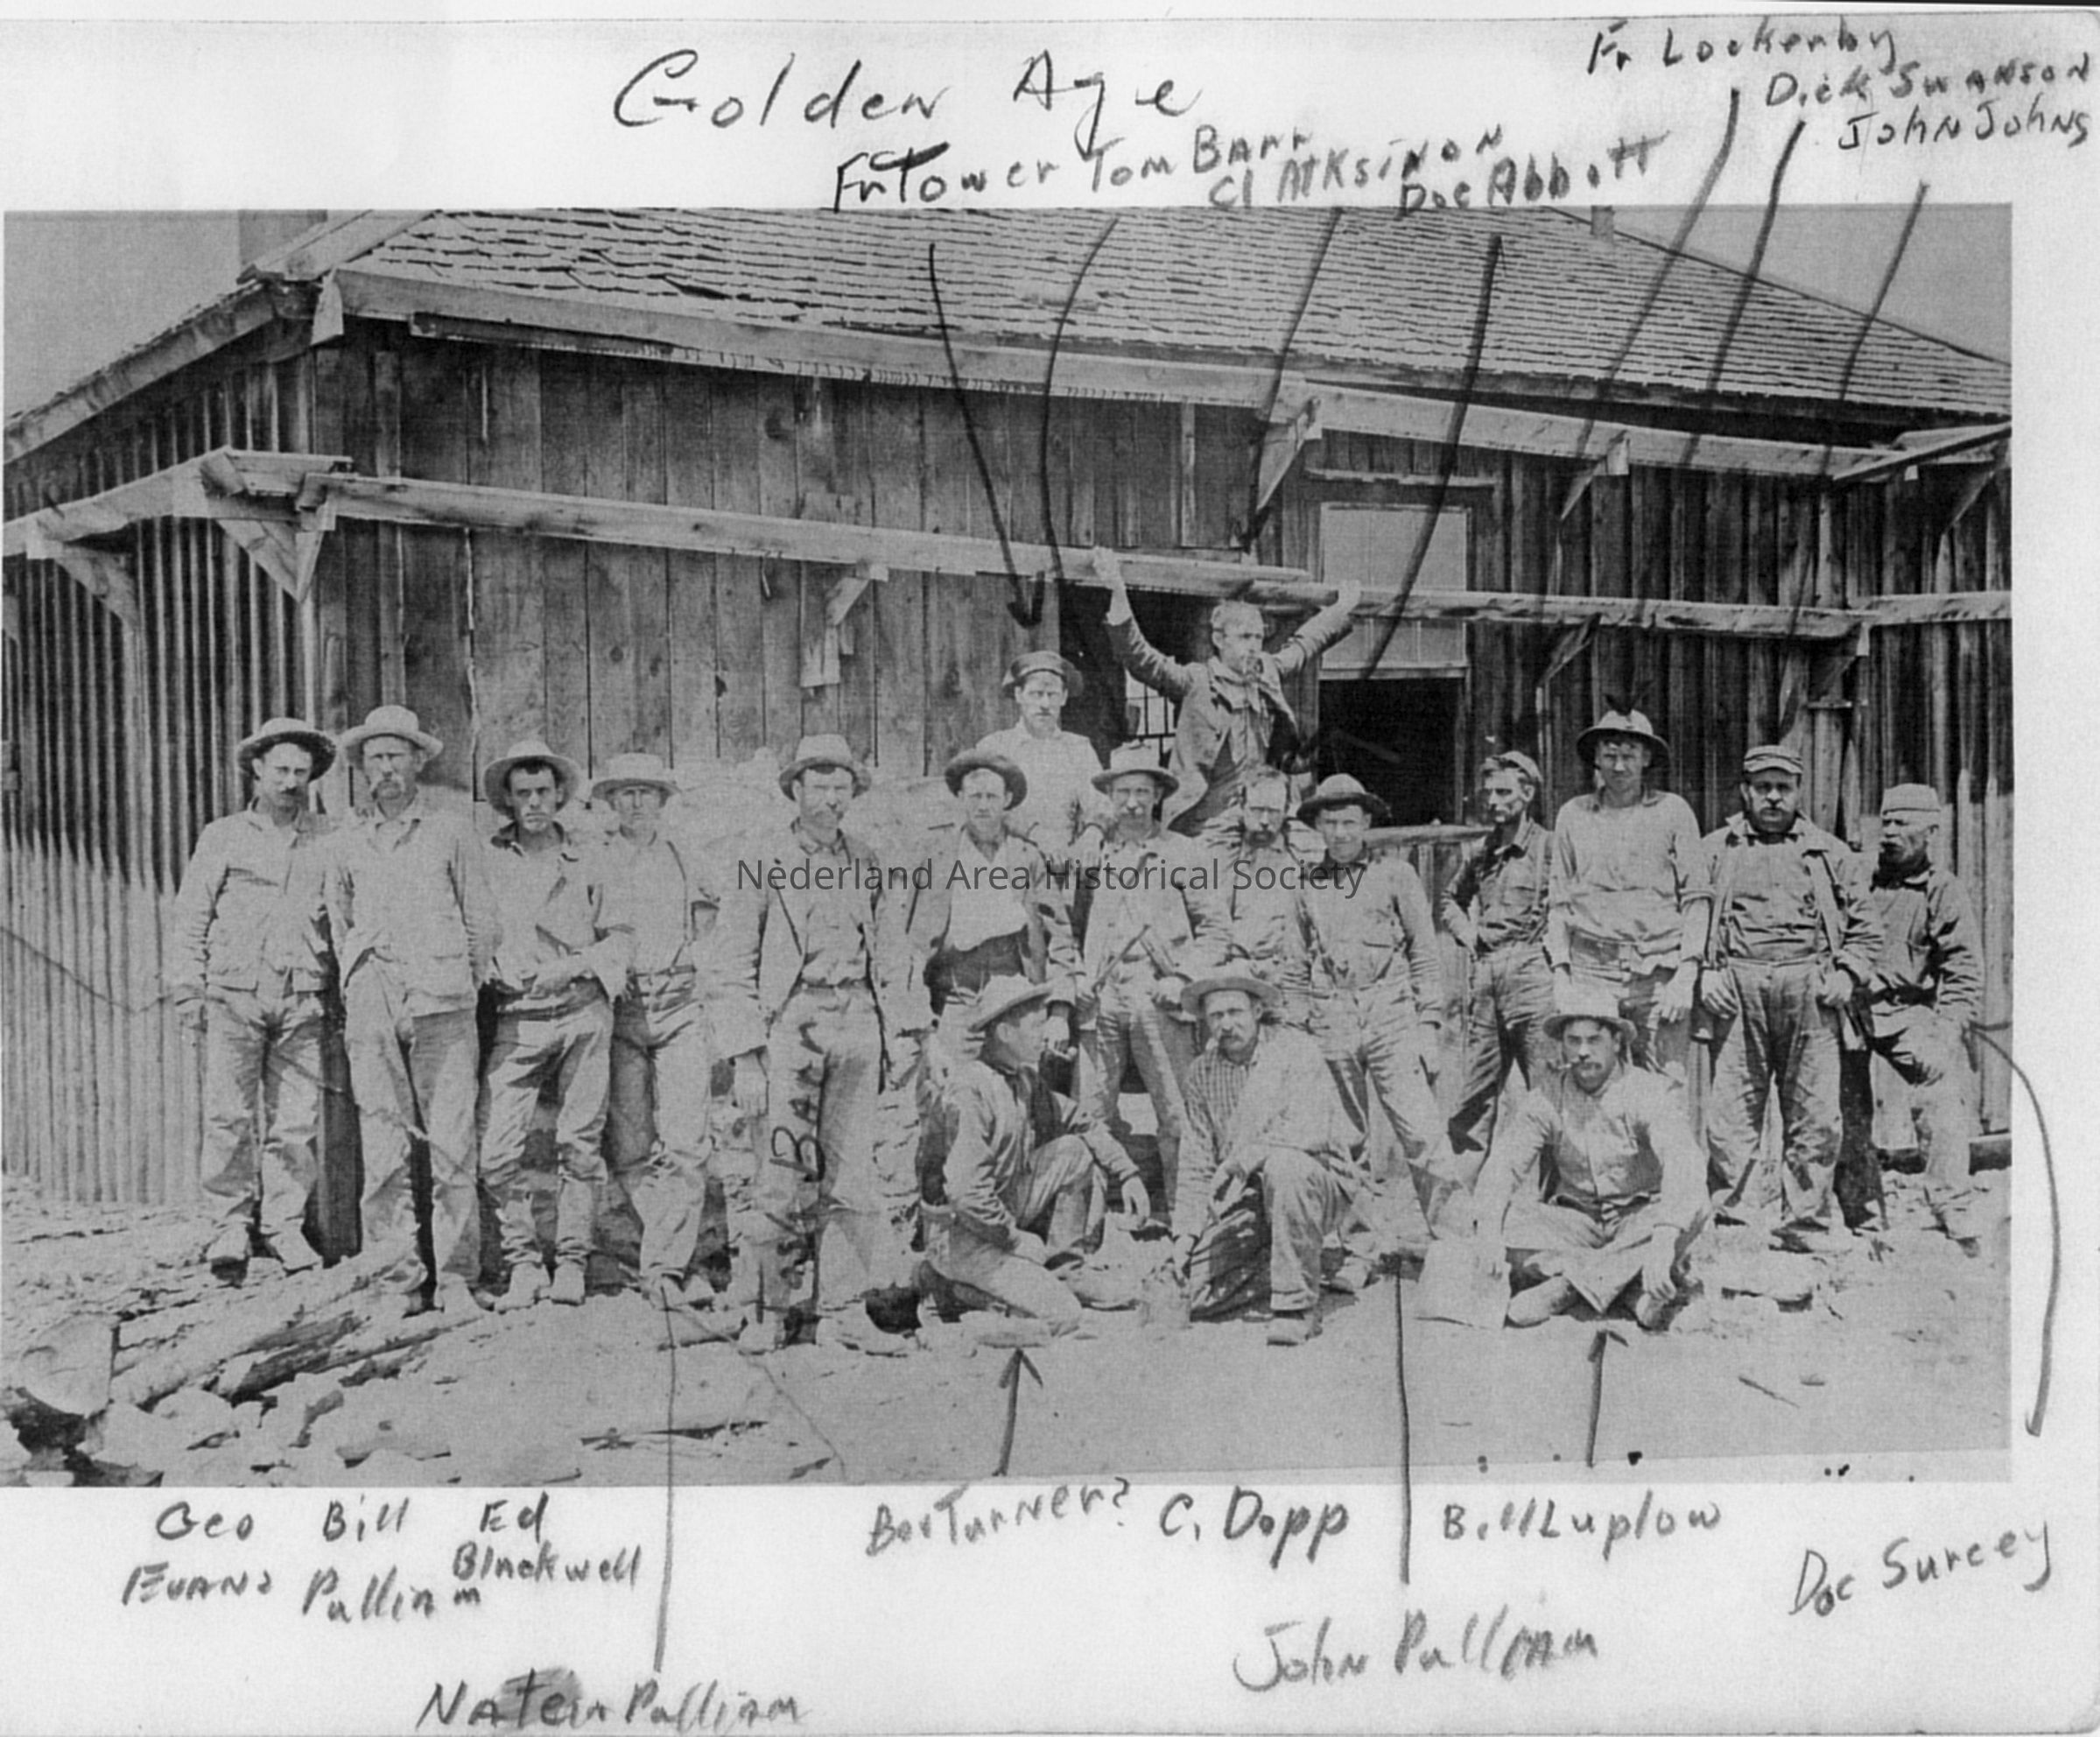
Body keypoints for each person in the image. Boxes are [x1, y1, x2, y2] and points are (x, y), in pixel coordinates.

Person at [713, 735, 927, 1351]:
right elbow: (732, 960)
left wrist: (901, 1033)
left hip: (856, 1019)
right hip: (793, 1023)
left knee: (853, 1177)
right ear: (796, 790)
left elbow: (893, 953)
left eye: (842, 787)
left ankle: (841, 1311)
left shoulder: (867, 860)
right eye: (819, 786)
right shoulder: (762, 860)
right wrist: (747, 1056)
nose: (831, 799)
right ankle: (768, 1312)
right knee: (779, 1174)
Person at [327, 705, 496, 1315]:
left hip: (443, 998)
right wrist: (363, 982)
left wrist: (459, 981)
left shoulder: (451, 831)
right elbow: (341, 921)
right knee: (383, 1144)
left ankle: (456, 1278)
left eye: (396, 756)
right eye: (375, 758)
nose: (386, 769)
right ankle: (396, 1279)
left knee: (452, 1145)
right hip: (373, 993)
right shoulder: (346, 840)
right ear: (362, 768)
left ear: (418, 761)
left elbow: (482, 922)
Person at [170, 717, 339, 1282]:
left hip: (302, 998)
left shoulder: (329, 837)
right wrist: (188, 989)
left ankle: (283, 1225)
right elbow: (191, 917)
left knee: (295, 1120)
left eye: (301, 772)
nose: (290, 782)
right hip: (235, 996)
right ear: (258, 770)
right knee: (229, 1115)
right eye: (281, 770)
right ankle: (230, 1225)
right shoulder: (223, 836)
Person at [1697, 745, 1879, 1253]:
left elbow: (1867, 928)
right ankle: (1734, 1222)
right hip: (1737, 987)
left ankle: (1806, 1224)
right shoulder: (1716, 850)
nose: (1773, 797)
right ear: (1745, 792)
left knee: (1815, 1114)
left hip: (1811, 987)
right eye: (1763, 788)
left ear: (1799, 792)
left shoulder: (1830, 853)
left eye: (1783, 788)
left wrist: (1848, 971)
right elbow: (1688, 914)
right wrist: (1704, 973)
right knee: (1732, 1113)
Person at [477, 740, 632, 1310]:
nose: (535, 803)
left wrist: (572, 966)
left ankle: (571, 1263)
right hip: (517, 1019)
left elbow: (622, 938)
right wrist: (490, 965)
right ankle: (522, 1264)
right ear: (509, 800)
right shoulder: (487, 860)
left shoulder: (589, 858)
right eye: (523, 794)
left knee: (580, 1144)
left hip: (581, 1012)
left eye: (544, 791)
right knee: (495, 1151)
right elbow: (467, 928)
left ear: (560, 794)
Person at [1469, 984, 1710, 1331]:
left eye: (1594, 1040)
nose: (1583, 1052)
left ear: (1617, 1042)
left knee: (1695, 1204)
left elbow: (1682, 1161)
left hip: (1637, 1219)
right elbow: (1504, 1165)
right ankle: (1626, 1288)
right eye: (1573, 1041)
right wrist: (1490, 1231)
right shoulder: (1547, 1097)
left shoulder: (1646, 1091)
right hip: (1575, 1224)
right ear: (1562, 1045)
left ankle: (1569, 1287)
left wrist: (1662, 1239)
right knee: (1501, 1221)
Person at [1296, 773, 1466, 1248]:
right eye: (1331, 823)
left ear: (1367, 823)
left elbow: (1424, 951)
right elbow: (1294, 962)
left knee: (1421, 1129)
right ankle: (1357, 1243)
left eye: (1349, 822)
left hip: (1391, 1012)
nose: (1341, 833)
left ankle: (1455, 1239)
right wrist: (1296, 1030)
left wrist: (1428, 1023)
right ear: (1318, 826)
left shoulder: (1395, 875)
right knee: (1344, 1138)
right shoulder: (1306, 883)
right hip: (1331, 1014)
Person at [922, 975, 1150, 1329]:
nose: (1044, 1035)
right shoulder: (969, 1090)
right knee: (1062, 1314)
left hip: (995, 1214)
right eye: (1036, 1026)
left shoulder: (1023, 1080)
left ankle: (1066, 1271)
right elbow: (966, 1194)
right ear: (1004, 1033)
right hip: (959, 1234)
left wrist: (1128, 1173)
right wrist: (1014, 1240)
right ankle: (952, 1292)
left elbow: (1082, 1123)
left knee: (1073, 1151)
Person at [1070, 743, 1233, 1235]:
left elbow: (1216, 931)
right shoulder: (1092, 854)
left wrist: (1182, 978)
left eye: (1143, 792)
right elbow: (1067, 925)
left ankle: (1187, 1221)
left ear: (1158, 796)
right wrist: (1077, 976)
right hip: (1100, 998)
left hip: (1158, 996)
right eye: (1123, 792)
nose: (1133, 803)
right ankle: (1086, 1225)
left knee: (1177, 1112)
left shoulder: (1183, 853)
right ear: (1110, 796)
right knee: (1090, 1113)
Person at [591, 751, 732, 1309]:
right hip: (621, 1012)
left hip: (679, 1009)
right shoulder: (594, 861)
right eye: (625, 793)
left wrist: (702, 975)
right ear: (611, 801)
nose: (635, 804)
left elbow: (712, 929)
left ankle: (665, 1269)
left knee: (687, 1145)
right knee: (629, 1149)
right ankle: (672, 1259)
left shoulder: (684, 858)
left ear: (662, 801)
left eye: (646, 793)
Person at [1099, 546, 1362, 835]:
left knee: (1305, 848)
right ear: (1219, 639)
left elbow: (1304, 646)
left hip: (1262, 812)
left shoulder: (1267, 672)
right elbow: (1141, 658)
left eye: (1258, 638)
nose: (1253, 646)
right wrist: (1117, 591)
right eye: (1244, 637)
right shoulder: (1196, 681)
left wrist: (1342, 608)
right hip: (1206, 822)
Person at [1176, 972, 1363, 1347]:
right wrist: (1184, 1238)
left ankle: (1295, 1306)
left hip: (1315, 1186)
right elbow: (1196, 1162)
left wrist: (1248, 1158)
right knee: (1193, 1294)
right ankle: (1287, 1264)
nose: (1226, 1025)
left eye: (1235, 1012)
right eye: (1216, 1016)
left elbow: (1312, 1131)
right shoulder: (1201, 1074)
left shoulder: (1296, 1051)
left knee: (1284, 1167)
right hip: (1248, 1200)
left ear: (1257, 1011)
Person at [1840, 783, 1986, 1248]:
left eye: (1902, 823)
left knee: (1942, 1080)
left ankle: (1951, 1203)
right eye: (1886, 822)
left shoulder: (1943, 890)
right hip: (1849, 1006)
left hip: (1907, 1011)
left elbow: (1963, 972)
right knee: (1842, 1101)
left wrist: (1947, 1030)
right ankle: (1859, 1211)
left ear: (1931, 832)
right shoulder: (1855, 877)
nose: (1889, 832)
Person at [1545, 708, 1711, 1090]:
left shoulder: (1673, 812)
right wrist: (1561, 974)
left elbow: (1697, 898)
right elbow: (1558, 903)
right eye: (1610, 755)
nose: (1619, 766)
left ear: (1646, 758)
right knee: (1593, 1083)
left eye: (1629, 755)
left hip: (1657, 974)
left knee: (1666, 1088)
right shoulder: (1574, 815)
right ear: (1597, 758)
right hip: (1592, 973)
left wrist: (1686, 974)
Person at [1443, 750, 1556, 1163]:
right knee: (1475, 1093)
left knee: (1548, 1089)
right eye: (1488, 793)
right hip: (1487, 975)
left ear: (1527, 794)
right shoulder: (1481, 851)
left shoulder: (1550, 847)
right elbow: (1449, 900)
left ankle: (1557, 1193)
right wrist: (1467, 934)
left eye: (1504, 792)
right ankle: (1462, 1191)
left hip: (1532, 974)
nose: (1493, 801)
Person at [1206, 769, 1318, 1031]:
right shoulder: (1222, 855)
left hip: (1287, 977)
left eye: (1274, 811)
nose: (1265, 821)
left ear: (1287, 811)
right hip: (1236, 977)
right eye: (1257, 810)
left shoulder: (1303, 857)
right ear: (1241, 807)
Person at [974, 650, 1105, 870]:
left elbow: (1100, 802)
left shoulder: (1078, 749)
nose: (1045, 704)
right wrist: (1036, 834)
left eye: (1052, 695)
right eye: (1036, 694)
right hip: (1004, 866)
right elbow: (985, 807)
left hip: (1064, 867)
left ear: (1064, 697)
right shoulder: (994, 748)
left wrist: (1093, 834)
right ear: (1019, 695)